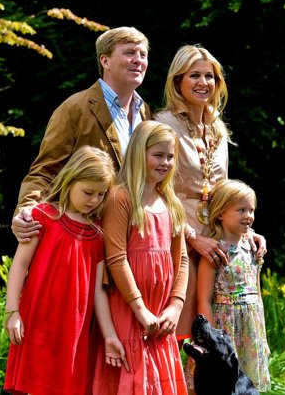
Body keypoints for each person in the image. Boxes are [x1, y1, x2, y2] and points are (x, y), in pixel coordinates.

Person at [153, 44, 266, 341]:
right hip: (175, 236)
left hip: (216, 239)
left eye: (210, 76)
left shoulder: (217, 127)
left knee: (214, 330)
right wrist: (192, 237)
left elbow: (225, 192)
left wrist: (245, 231)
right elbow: (156, 190)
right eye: (194, 75)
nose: (203, 82)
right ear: (178, 80)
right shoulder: (163, 124)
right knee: (176, 330)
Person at [4, 146, 126, 395]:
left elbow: (98, 291)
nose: (94, 200)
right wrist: (12, 312)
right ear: (70, 181)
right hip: (37, 321)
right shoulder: (42, 217)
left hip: (72, 331)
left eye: (101, 194)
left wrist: (109, 335)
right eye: (88, 192)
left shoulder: (97, 234)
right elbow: (20, 265)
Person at [12, 26, 151, 242]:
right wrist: (27, 209)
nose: (138, 60)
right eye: (129, 52)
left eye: (143, 54)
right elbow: (45, 171)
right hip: (87, 236)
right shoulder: (74, 109)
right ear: (105, 61)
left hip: (134, 237)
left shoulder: (145, 112)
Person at [92, 120, 189, 394]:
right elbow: (116, 258)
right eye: (158, 155)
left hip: (160, 313)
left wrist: (176, 306)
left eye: (170, 156)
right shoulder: (121, 198)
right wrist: (139, 309)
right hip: (129, 310)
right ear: (138, 153)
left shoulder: (171, 202)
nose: (165, 162)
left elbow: (181, 260)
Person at [195, 179, 270, 391]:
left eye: (251, 210)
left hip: (251, 329)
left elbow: (257, 293)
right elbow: (203, 299)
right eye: (241, 210)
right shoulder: (215, 252)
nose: (248, 216)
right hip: (225, 329)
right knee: (219, 385)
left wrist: (263, 338)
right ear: (220, 213)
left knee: (248, 385)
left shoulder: (253, 247)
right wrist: (210, 339)